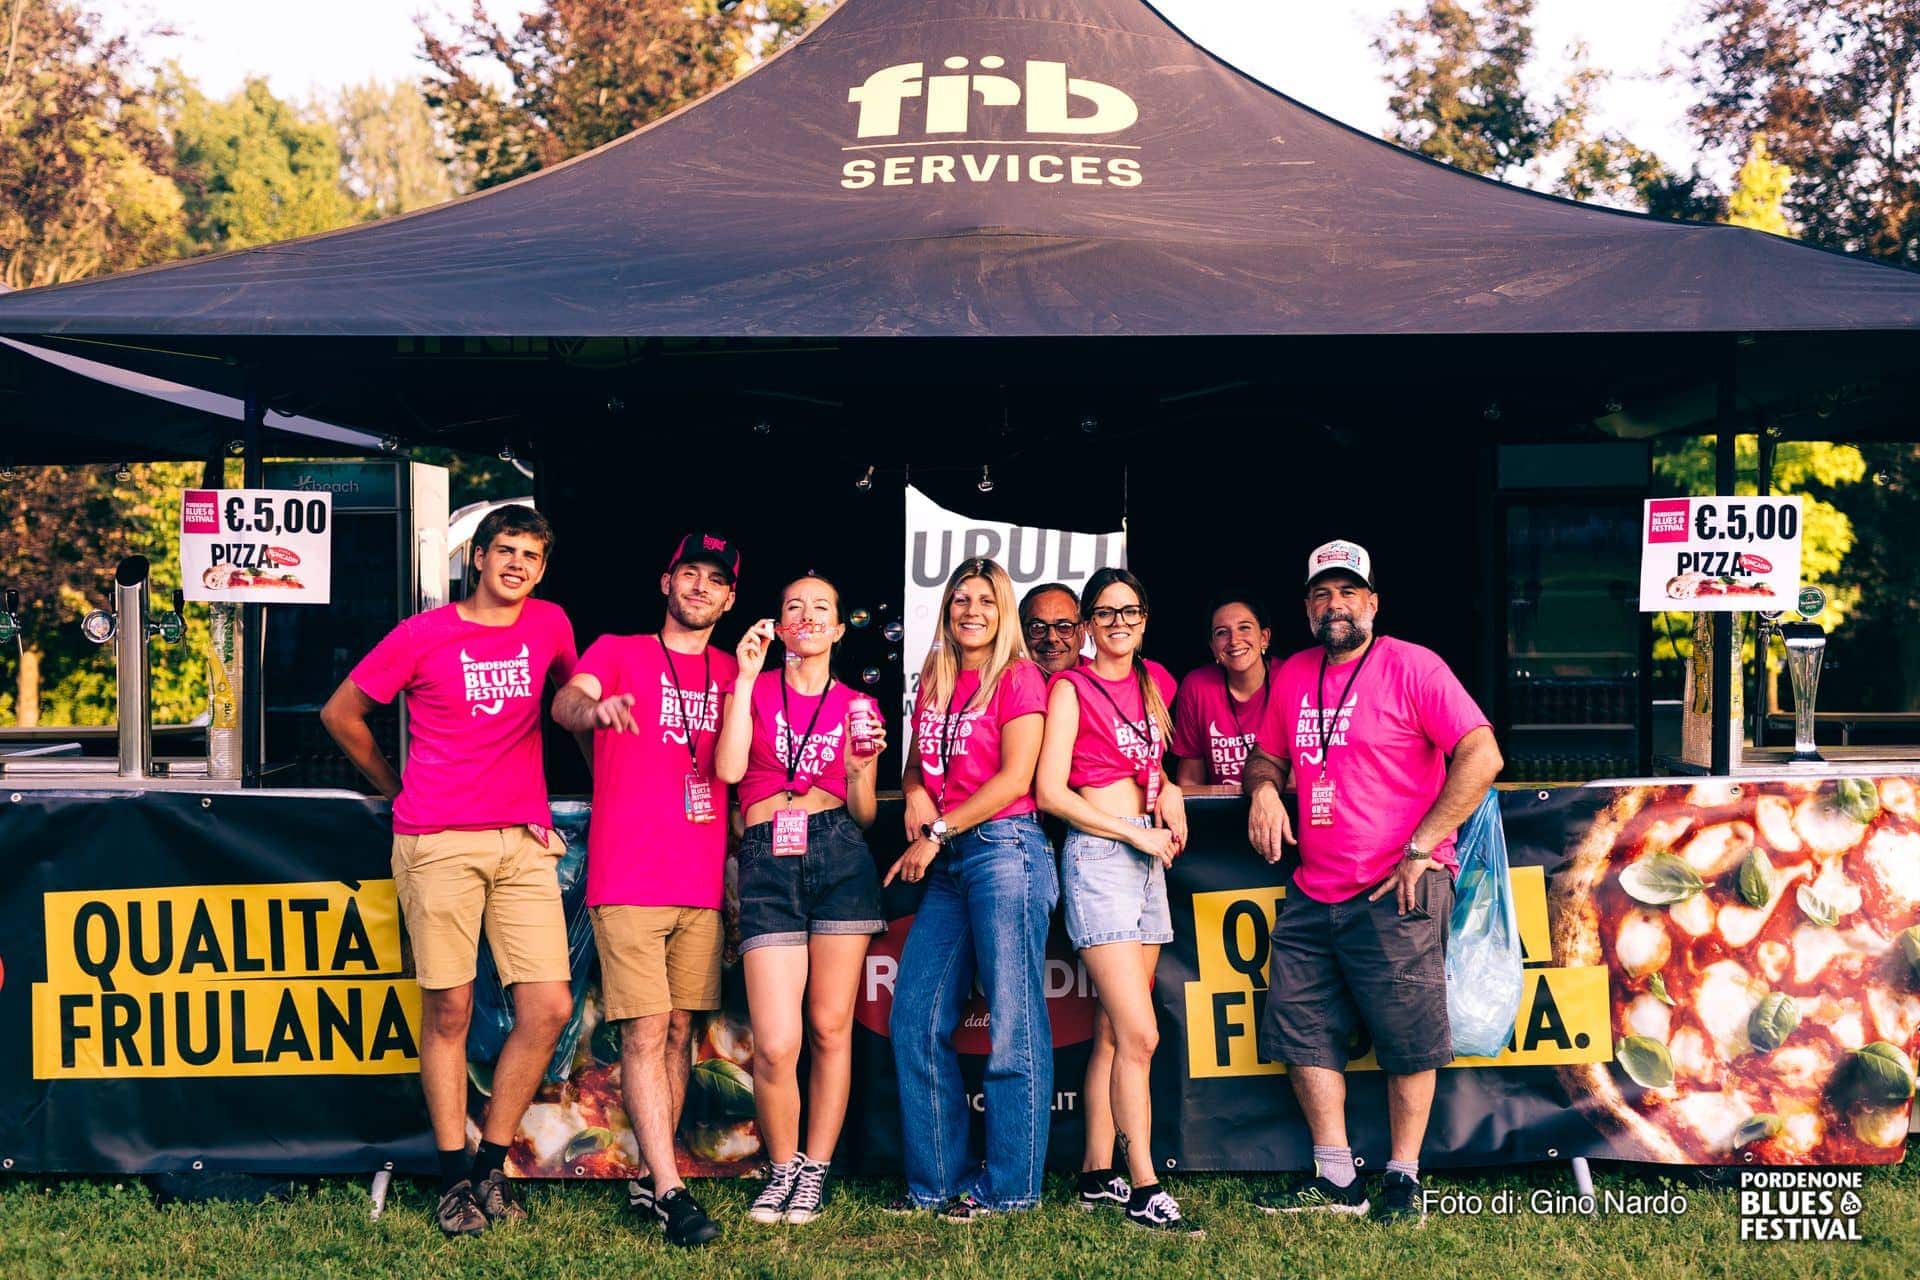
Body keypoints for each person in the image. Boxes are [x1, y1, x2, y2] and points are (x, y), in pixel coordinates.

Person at [319, 504, 578, 1237]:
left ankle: (491, 1163)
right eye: (506, 550)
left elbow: (573, 704)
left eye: (531, 555)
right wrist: (394, 788)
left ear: (542, 569)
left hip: (522, 841)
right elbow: (341, 714)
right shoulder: (422, 633)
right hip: (437, 841)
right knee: (451, 1011)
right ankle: (452, 1178)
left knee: (549, 1007)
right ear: (479, 558)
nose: (517, 564)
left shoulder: (551, 625)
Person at [1243, 539, 1503, 1226]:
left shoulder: (1414, 665)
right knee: (1300, 1028)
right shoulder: (1293, 676)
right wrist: (1264, 790)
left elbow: (1482, 754)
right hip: (1313, 889)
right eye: (1322, 594)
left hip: (1399, 886)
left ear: (1373, 603)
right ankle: (1336, 1177)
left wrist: (1422, 845)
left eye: (1348, 592)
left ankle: (1403, 1177)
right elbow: (1266, 757)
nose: (1335, 604)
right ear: (1307, 608)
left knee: (1407, 1035)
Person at [549, 533, 740, 1248]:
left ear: (729, 598)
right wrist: (593, 713)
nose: (699, 587)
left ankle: (649, 1177)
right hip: (629, 874)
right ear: (666, 581)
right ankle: (670, 1189)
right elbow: (567, 702)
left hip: (702, 878)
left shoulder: (735, 669)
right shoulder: (618, 650)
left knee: (681, 1029)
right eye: (689, 572)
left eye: (714, 579)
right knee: (646, 1028)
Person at [713, 573, 887, 1227]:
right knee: (776, 1043)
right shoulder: (753, 688)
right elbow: (730, 771)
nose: (808, 615)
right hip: (766, 859)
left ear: (839, 629)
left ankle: (813, 1169)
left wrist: (860, 771)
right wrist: (743, 677)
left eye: (821, 608)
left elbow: (864, 814)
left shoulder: (858, 704)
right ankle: (781, 1167)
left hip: (838, 853)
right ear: (780, 625)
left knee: (829, 1028)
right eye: (794, 606)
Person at [884, 558, 1054, 1221]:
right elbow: (916, 765)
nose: (972, 610)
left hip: (1005, 851)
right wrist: (917, 792)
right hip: (953, 858)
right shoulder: (936, 677)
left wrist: (936, 830)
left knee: (1013, 1024)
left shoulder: (1018, 677)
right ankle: (934, 1182)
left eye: (985, 599)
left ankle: (1011, 1189)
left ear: (1002, 609)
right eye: (961, 599)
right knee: (914, 1020)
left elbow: (1016, 778)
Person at [1035, 567, 1202, 1238]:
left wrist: (1170, 791)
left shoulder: (1154, 682)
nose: (1118, 623)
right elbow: (1052, 792)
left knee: (1112, 1031)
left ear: (1144, 618)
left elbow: (1147, 762)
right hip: (1102, 858)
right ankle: (1145, 1187)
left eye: (1129, 611)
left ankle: (1095, 1173)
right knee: (1141, 1034)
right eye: (1104, 613)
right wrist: (1131, 831)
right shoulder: (1070, 688)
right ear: (1087, 625)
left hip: (1147, 860)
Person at [1173, 593, 1280, 788]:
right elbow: (1191, 777)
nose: (1234, 640)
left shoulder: (1288, 678)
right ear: (1213, 647)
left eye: (1244, 628)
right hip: (1221, 805)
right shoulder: (1197, 688)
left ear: (1264, 638)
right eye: (1222, 632)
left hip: (1280, 803)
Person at [1019, 582, 1084, 676]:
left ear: (1081, 635)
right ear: (1021, 636)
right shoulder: (1005, 680)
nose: (1051, 638)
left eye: (1064, 627)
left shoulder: (1102, 681)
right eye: (1038, 627)